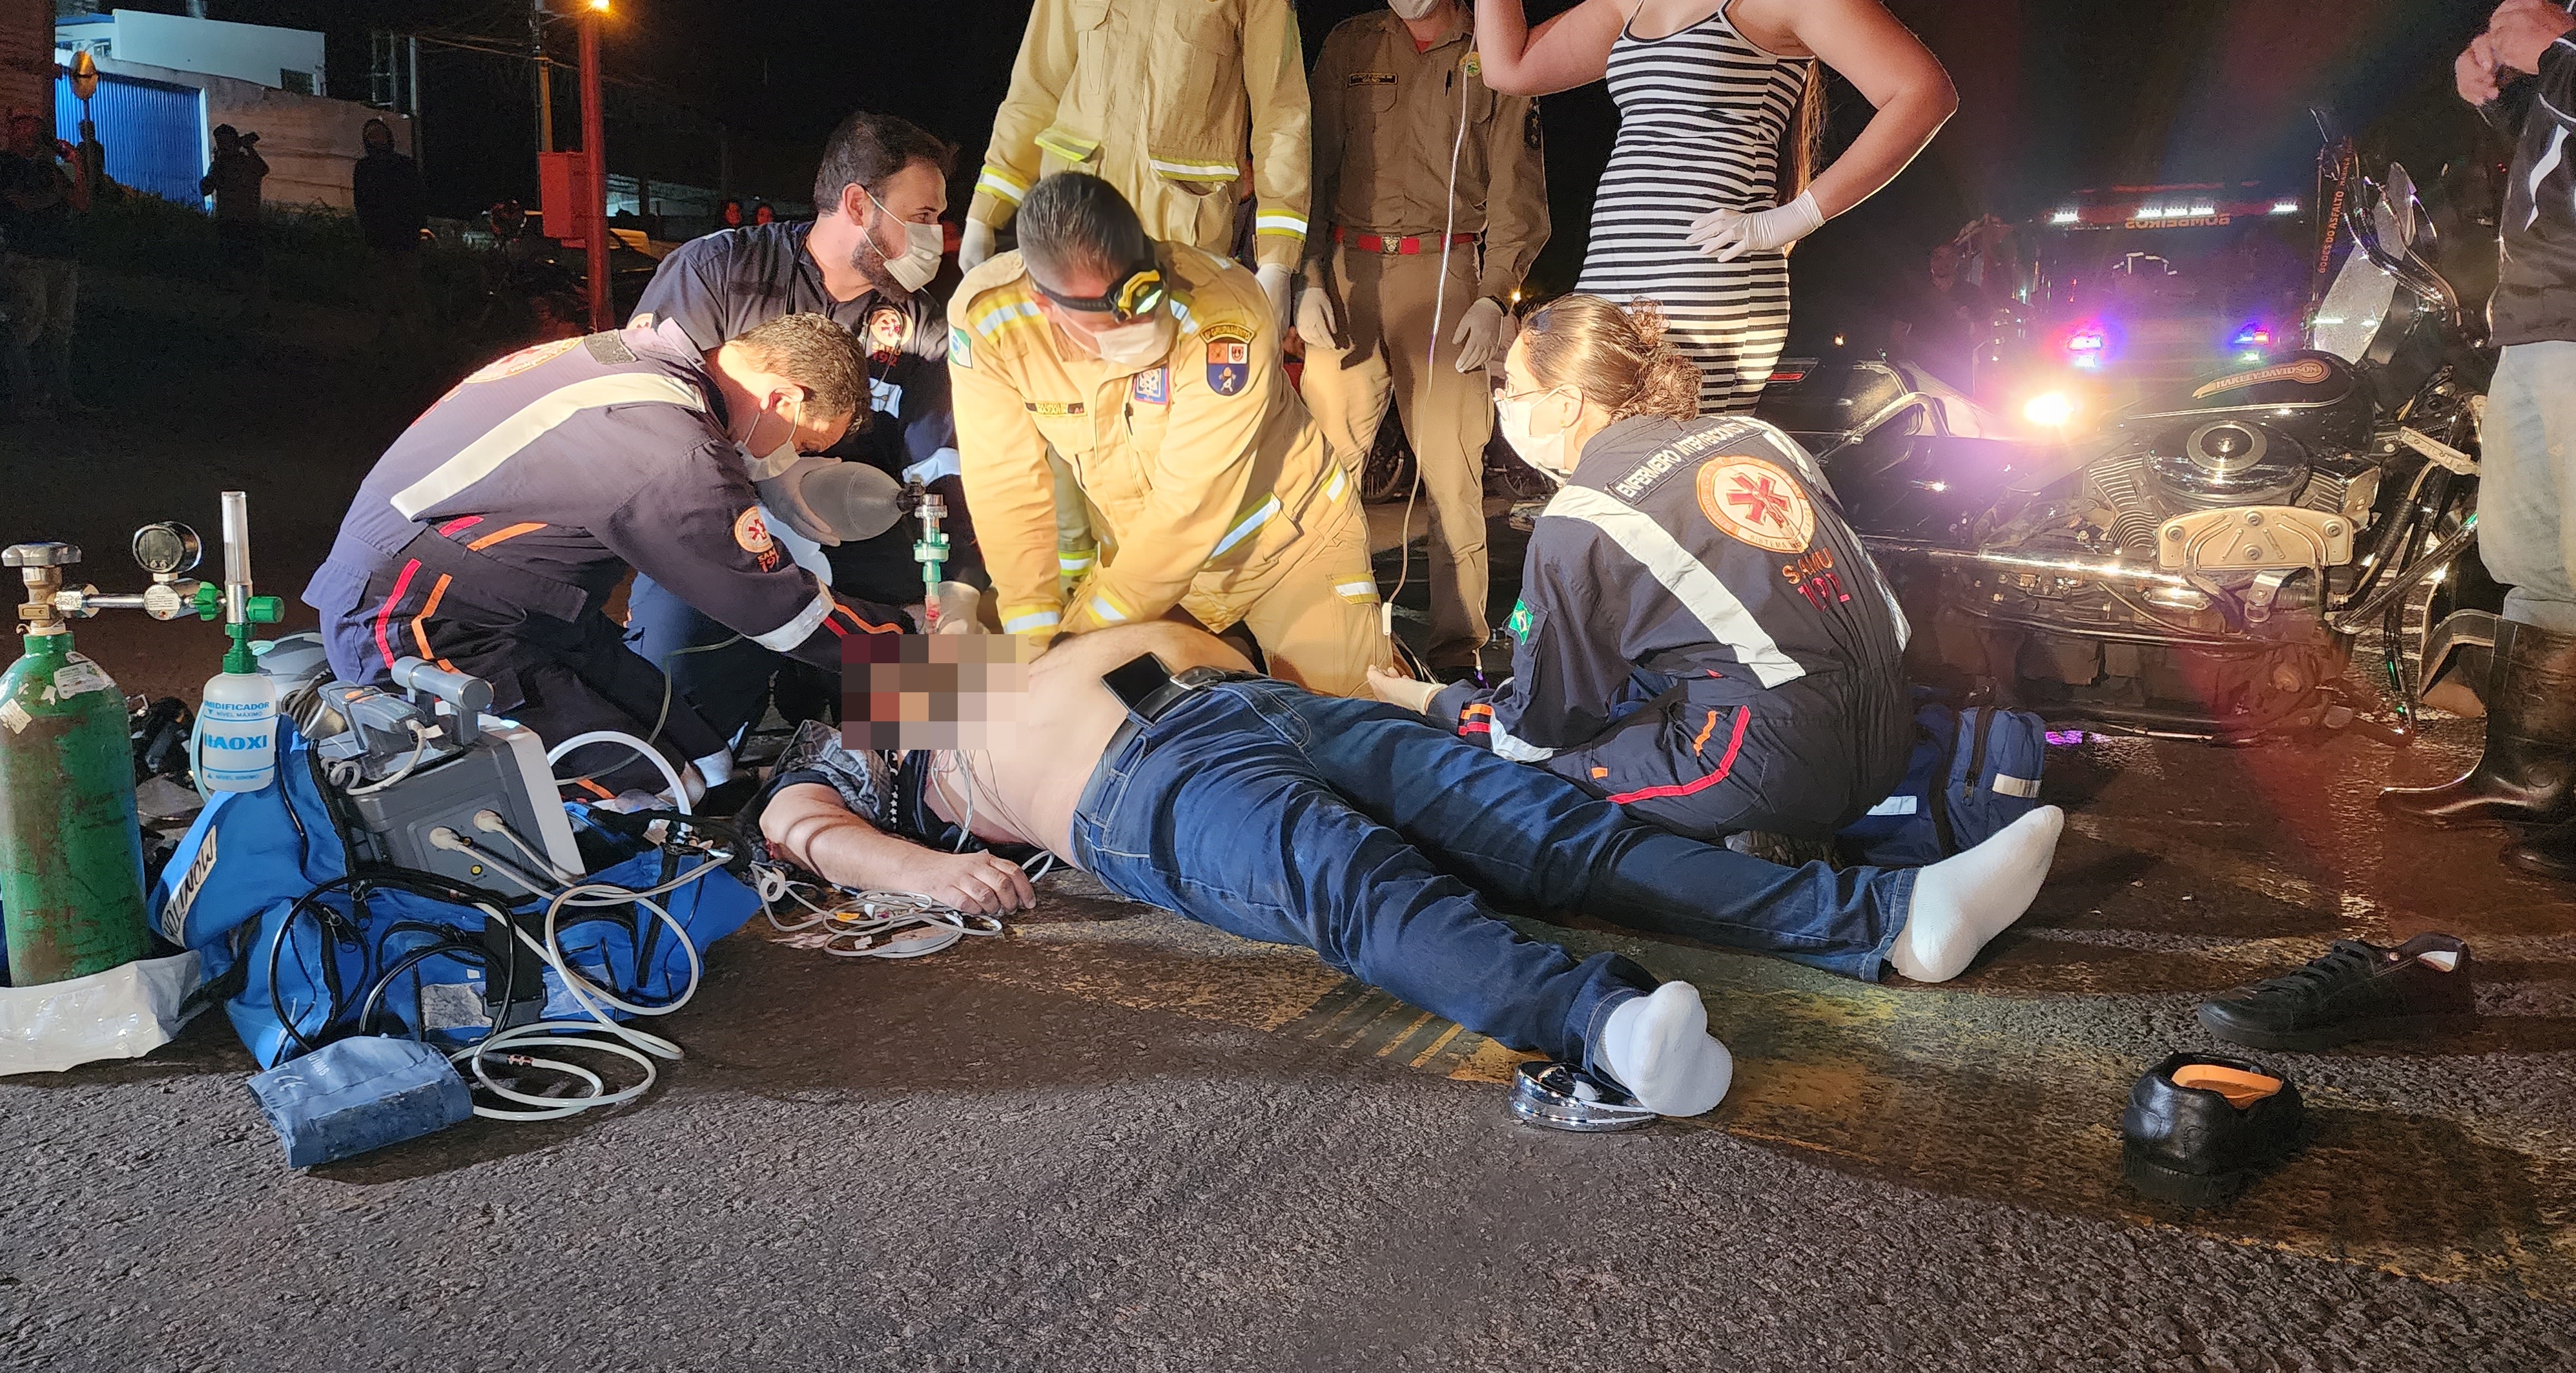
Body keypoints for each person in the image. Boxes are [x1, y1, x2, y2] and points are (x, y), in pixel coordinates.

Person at [757, 620, 2070, 1116]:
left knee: (1548, 827)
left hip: (1236, 700)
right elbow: (794, 820)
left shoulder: (983, 647)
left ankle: (1893, 915)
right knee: (1364, 887)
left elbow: (1110, 639)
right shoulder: (877, 715)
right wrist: (925, 876)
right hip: (1136, 787)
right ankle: (1601, 1029)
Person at [1370, 294, 1913, 866]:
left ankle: (1755, 843)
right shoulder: (1758, 435)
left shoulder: (1582, 519)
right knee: (1638, 687)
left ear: (1565, 405)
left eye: (1513, 386)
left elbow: (1539, 724)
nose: (1502, 400)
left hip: (1771, 764)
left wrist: (1433, 701)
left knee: (1536, 767)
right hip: (1891, 729)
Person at [304, 314, 911, 795]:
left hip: (521, 605)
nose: (788, 461)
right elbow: (782, 613)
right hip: (418, 620)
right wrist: (937, 666)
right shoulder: (672, 451)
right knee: (643, 792)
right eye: (802, 444)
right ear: (783, 398)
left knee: (706, 759)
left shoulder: (635, 356)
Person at [1474, 0, 1955, 413]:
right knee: (1608, 463)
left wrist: (1792, 217)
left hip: (1703, 275)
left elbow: (1922, 92)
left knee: (1677, 463)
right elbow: (1508, 66)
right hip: (1611, 270)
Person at [951, 173, 1399, 695]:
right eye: (1113, 319)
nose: (1142, 325)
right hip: (1143, 579)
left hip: (1289, 553)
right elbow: (1005, 489)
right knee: (911, 696)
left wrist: (1074, 646)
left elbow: (1186, 511)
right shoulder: (988, 320)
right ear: (1047, 305)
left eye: (1149, 296)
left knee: (1352, 733)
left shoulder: (1226, 313)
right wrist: (1032, 642)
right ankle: (862, 759)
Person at [624, 111, 980, 743]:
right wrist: (774, 477)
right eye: (922, 215)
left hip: (856, 516)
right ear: (859, 205)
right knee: (669, 703)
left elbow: (941, 453)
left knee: (944, 699)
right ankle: (703, 767)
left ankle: (911, 783)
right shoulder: (715, 272)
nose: (936, 233)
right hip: (716, 513)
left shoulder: (917, 321)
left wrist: (958, 583)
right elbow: (651, 420)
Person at [1298, 0, 1552, 675]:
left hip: (1447, 275)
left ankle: (1457, 653)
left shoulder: (1495, 52)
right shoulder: (1351, 44)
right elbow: (1310, 164)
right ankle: (1318, 637)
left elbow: (1518, 184)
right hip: (1350, 271)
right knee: (1321, 470)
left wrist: (1496, 295)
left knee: (1452, 479)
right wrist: (1304, 273)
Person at [2390, 0, 2576, 881]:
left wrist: (2560, 51)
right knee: (2537, 563)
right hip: (2540, 319)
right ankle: (2530, 779)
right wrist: (2504, 98)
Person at [958, 0, 1311, 332]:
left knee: (1168, 389)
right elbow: (1038, 86)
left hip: (1179, 240)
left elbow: (1281, 112)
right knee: (1067, 387)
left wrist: (1276, 262)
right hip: (1071, 227)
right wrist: (986, 211)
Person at [0, 105, 94, 416]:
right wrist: (54, 195)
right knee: (29, 320)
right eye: (23, 125)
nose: (31, 131)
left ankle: (59, 395)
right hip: (26, 253)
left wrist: (76, 164)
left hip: (61, 254)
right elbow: (22, 204)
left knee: (60, 328)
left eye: (35, 126)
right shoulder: (2, 163)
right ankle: (20, 393)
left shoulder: (48, 169)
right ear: (11, 130)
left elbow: (81, 203)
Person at [353, 118, 428, 343]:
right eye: (372, 135)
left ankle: (416, 333)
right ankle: (381, 332)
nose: (377, 139)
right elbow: (361, 202)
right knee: (381, 287)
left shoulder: (404, 165)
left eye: (380, 134)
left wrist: (418, 228)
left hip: (405, 236)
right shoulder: (364, 167)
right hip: (379, 238)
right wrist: (368, 230)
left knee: (410, 286)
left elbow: (418, 197)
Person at [1888, 240, 1983, 387]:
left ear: (1957, 261)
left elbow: (1985, 328)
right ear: (1931, 261)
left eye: (1949, 258)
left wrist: (1968, 322)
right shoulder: (1916, 293)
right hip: (1922, 369)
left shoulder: (1971, 292)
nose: (1943, 262)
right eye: (1938, 257)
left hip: (1957, 369)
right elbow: (1898, 331)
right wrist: (1909, 357)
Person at [200, 125, 271, 321]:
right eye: (220, 142)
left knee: (251, 268)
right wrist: (216, 166)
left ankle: (255, 309)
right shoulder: (220, 165)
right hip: (229, 222)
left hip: (248, 222)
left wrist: (249, 148)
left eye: (225, 141)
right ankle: (242, 309)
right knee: (233, 268)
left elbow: (263, 169)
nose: (222, 146)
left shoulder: (245, 162)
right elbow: (206, 188)